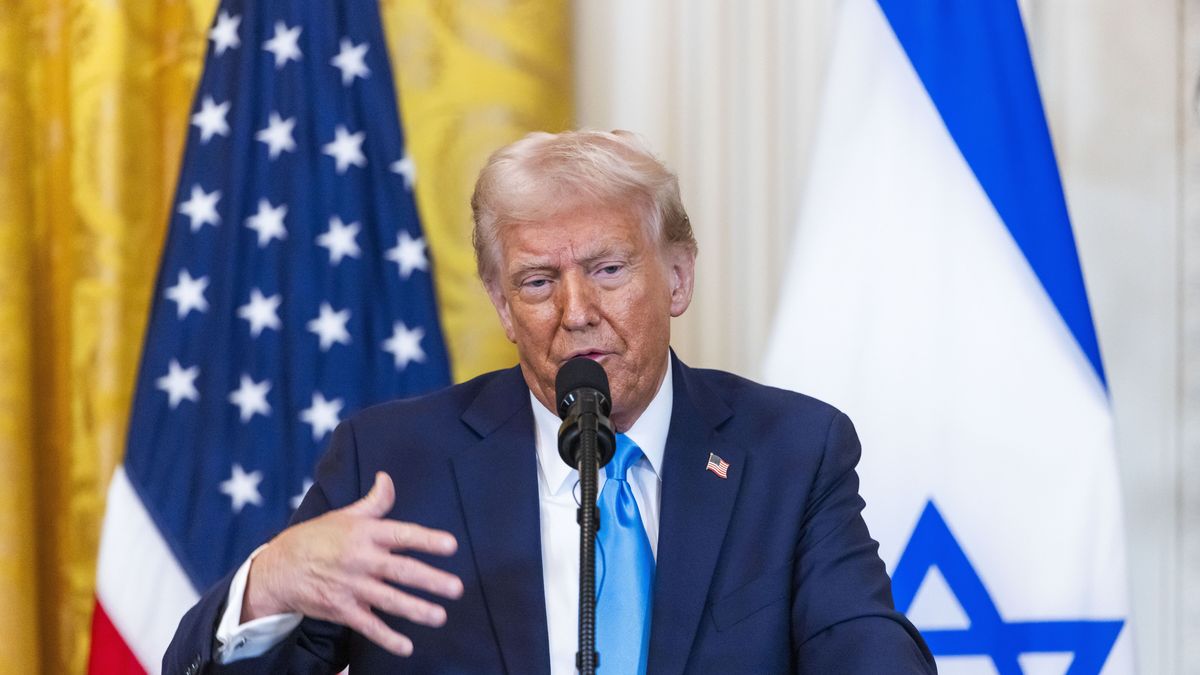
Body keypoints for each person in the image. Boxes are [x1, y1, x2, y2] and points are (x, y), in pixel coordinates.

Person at [164, 130, 936, 674]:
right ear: (503, 306)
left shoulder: (792, 453)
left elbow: (864, 649)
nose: (575, 310)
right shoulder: (396, 464)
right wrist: (267, 585)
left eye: (607, 269)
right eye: (538, 282)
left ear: (676, 278)